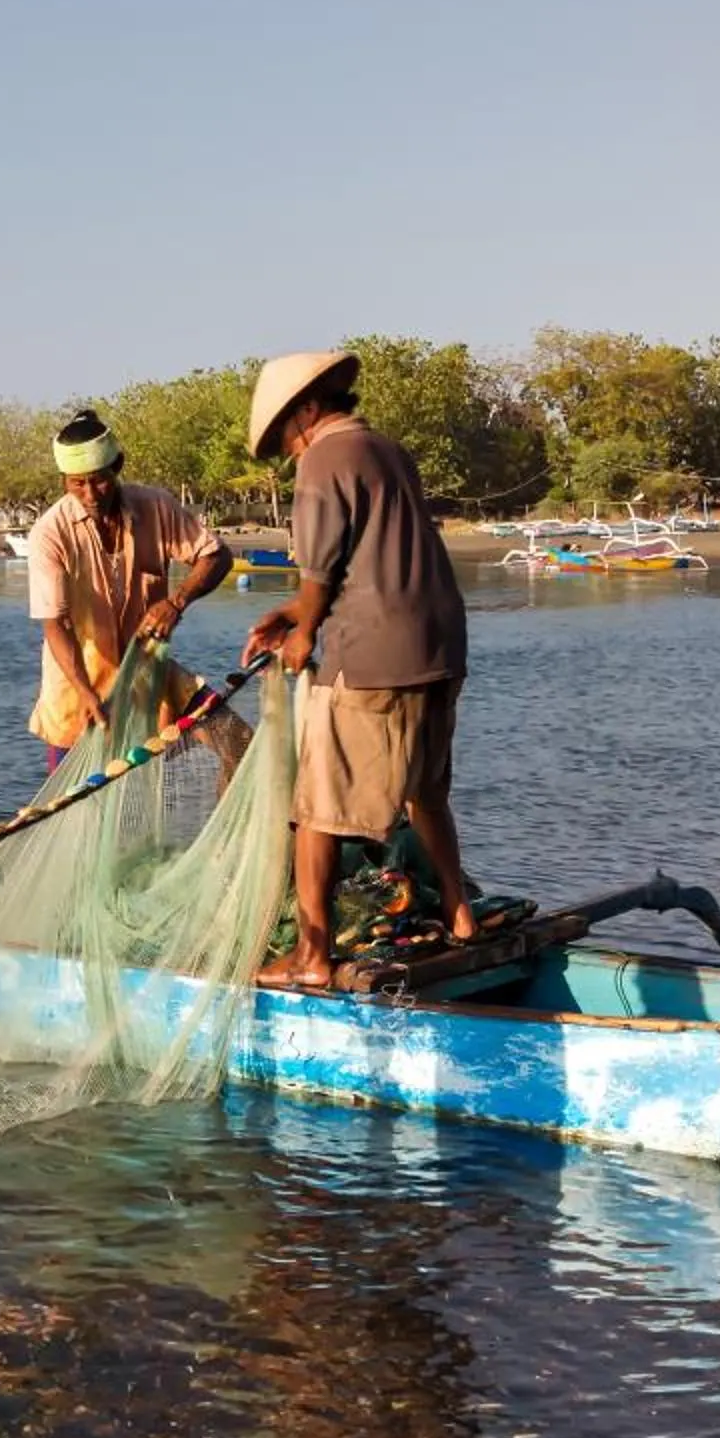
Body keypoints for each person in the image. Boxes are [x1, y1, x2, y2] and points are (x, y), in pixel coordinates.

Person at [239, 348, 477, 989]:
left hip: (371, 657)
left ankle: (311, 957)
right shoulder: (386, 450)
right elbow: (366, 559)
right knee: (425, 790)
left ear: (309, 411)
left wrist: (304, 631)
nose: (290, 450)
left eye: (287, 435)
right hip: (439, 648)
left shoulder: (324, 458)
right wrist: (294, 612)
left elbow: (319, 568)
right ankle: (459, 912)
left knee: (315, 810)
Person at [22, 409, 233, 767]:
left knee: (234, 740)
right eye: (77, 483)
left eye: (99, 480)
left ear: (117, 466)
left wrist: (176, 602)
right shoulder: (50, 534)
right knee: (79, 807)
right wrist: (87, 693)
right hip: (80, 694)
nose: (90, 494)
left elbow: (216, 556)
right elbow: (54, 624)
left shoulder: (155, 506)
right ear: (64, 481)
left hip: (147, 678)